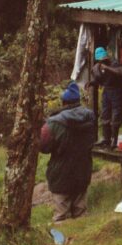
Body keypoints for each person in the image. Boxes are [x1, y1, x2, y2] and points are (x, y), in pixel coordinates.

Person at [39, 82, 97, 222]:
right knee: (81, 214)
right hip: (82, 171)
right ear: (78, 101)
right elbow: (93, 140)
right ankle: (83, 241)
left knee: (61, 217)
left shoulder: (53, 123)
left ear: (64, 102)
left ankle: (63, 243)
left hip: (61, 174)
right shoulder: (90, 116)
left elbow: (43, 147)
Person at [90, 46, 122, 148]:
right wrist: (92, 83)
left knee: (116, 115)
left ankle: (114, 140)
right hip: (107, 91)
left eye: (104, 60)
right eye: (100, 61)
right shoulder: (98, 67)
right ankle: (106, 139)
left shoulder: (114, 63)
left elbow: (121, 72)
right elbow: (100, 79)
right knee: (105, 115)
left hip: (117, 91)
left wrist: (107, 68)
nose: (102, 62)